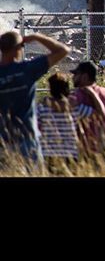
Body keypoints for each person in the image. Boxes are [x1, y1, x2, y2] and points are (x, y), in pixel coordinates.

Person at [0, 30, 70, 167]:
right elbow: (63, 50)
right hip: (27, 137)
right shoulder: (26, 70)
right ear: (18, 49)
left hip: (3, 139)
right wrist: (36, 37)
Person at [37, 72, 93, 174]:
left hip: (48, 154)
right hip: (70, 154)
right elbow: (98, 113)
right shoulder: (75, 107)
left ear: (51, 89)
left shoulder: (42, 107)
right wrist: (92, 93)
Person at [69, 60, 105, 159]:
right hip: (104, 146)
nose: (73, 77)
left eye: (76, 74)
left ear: (85, 76)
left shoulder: (76, 96)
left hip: (82, 148)